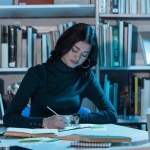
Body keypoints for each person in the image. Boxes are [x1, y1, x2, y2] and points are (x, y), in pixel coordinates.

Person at [3, 23, 118, 129]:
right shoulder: (37, 73)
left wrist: (75, 118)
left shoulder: (86, 77)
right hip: (39, 140)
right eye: (75, 50)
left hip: (69, 139)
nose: (78, 58)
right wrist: (45, 122)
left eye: (84, 54)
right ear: (65, 45)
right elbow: (9, 119)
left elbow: (111, 115)